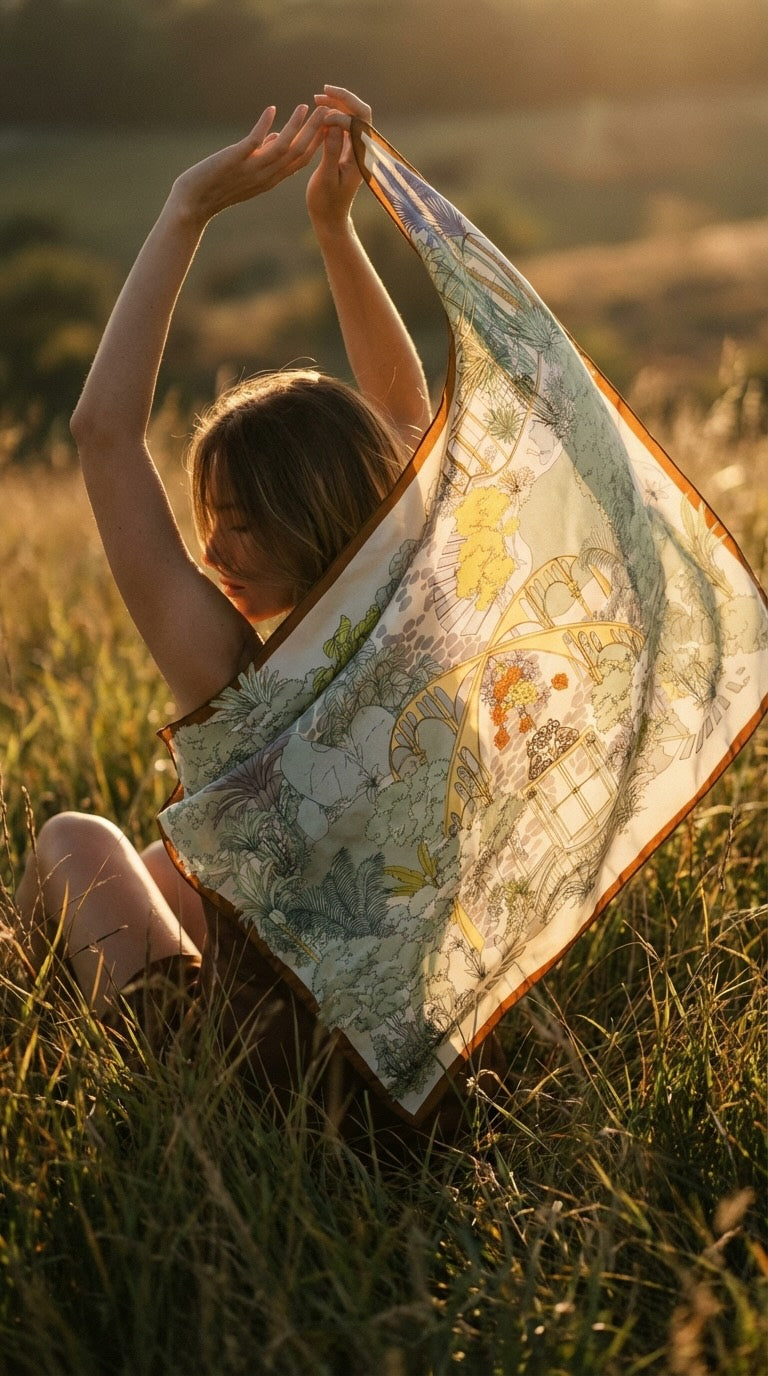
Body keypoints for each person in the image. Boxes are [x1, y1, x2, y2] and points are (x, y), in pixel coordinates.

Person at [14, 88, 433, 1108]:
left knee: (76, 840)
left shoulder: (235, 678)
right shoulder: (418, 612)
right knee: (168, 862)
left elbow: (104, 433)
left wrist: (184, 209)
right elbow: (400, 417)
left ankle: (45, 1062)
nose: (214, 545)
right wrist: (334, 228)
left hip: (258, 1091)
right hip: (422, 1077)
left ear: (318, 509)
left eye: (243, 519)